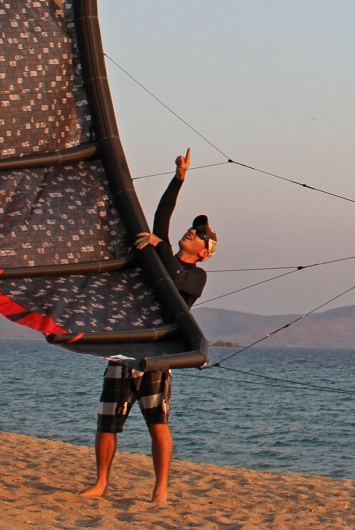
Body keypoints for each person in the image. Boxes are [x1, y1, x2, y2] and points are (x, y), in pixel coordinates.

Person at [80, 149, 218, 505]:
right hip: (125, 346)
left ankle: (160, 490)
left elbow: (174, 280)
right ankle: (100, 483)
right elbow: (162, 216)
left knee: (157, 424)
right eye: (194, 226)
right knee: (107, 421)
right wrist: (179, 177)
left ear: (205, 251)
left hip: (157, 355)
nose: (193, 230)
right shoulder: (164, 255)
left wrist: (158, 247)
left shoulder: (197, 276)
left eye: (200, 233)